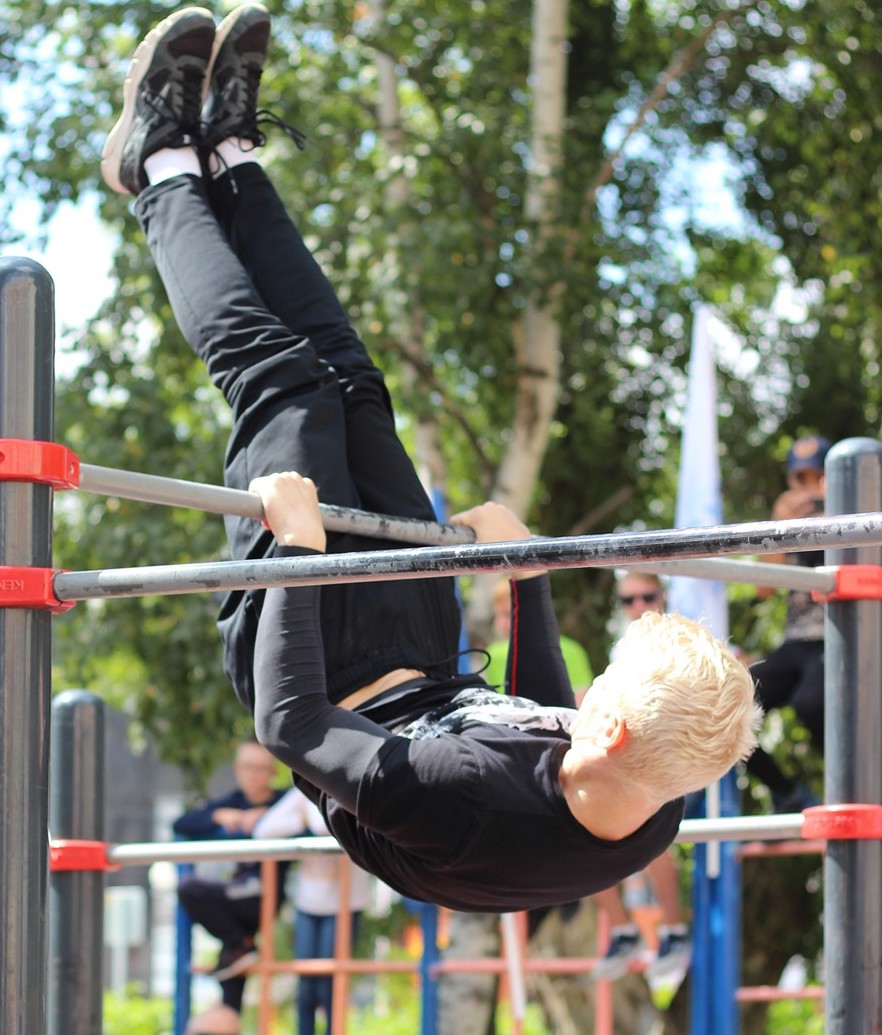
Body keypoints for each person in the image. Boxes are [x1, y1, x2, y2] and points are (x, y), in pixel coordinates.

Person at [101, 4, 761, 915]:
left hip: (318, 667)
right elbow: (543, 728)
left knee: (285, 385)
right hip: (423, 649)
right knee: (353, 384)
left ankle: (157, 171)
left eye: (597, 686)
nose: (583, 694)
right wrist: (524, 574)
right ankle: (227, 155)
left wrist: (296, 556)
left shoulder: (457, 798)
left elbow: (290, 727)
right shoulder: (652, 791)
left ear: (609, 726)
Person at [592, 572, 690, 982]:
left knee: (652, 845)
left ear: (662, 596)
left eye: (646, 597)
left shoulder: (678, 641)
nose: (637, 607)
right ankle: (622, 929)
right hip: (624, 756)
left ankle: (673, 929)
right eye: (628, 600)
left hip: (666, 758)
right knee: (582, 832)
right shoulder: (624, 649)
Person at [173, 740, 286, 1015]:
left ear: (272, 772)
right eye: (248, 767)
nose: (254, 775)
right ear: (237, 769)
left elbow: (308, 814)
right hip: (238, 893)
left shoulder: (283, 803)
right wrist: (218, 816)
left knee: (191, 888)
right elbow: (182, 823)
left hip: (263, 893)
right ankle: (240, 948)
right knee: (232, 965)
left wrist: (269, 818)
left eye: (261, 768)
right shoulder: (232, 802)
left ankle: (241, 945)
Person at [747, 435, 829, 812]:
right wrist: (778, 527)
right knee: (721, 701)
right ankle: (786, 791)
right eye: (800, 478)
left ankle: (857, 782)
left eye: (817, 476)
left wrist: (837, 509)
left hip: (840, 635)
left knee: (811, 703)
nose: (808, 486)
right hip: (796, 642)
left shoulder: (862, 510)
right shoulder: (790, 520)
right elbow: (765, 588)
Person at [253, 788, 372, 1035]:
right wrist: (300, 820)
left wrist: (306, 816)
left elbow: (323, 827)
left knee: (329, 987)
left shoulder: (350, 789)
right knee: (305, 988)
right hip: (309, 905)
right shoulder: (303, 792)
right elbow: (263, 830)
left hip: (345, 905)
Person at [482, 577, 594, 703]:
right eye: (497, 615)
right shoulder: (493, 654)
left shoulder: (570, 651)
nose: (501, 622)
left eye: (508, 614)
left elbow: (580, 703)